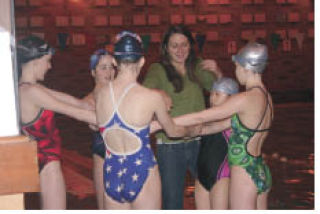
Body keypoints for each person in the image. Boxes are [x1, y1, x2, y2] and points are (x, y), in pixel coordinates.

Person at [153, 42, 273, 209]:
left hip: (244, 171)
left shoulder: (246, 98)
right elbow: (215, 126)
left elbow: (200, 116)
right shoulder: (266, 97)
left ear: (246, 67)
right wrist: (186, 132)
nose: (236, 71)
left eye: (237, 66)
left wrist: (158, 124)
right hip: (260, 169)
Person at [94, 30, 200, 209]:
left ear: (114, 61)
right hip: (141, 171)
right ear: (142, 61)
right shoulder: (151, 97)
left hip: (112, 172)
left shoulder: (100, 94)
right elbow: (173, 131)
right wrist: (192, 130)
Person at [142, 24, 222, 209]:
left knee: (211, 192)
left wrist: (217, 72)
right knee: (172, 201)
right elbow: (145, 90)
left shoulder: (197, 65)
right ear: (166, 48)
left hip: (199, 140)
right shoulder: (158, 69)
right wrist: (158, 93)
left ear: (190, 46)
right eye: (174, 45)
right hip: (170, 145)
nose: (180, 50)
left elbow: (220, 91)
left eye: (184, 45)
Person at [17, 35, 96, 209]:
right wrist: (120, 122)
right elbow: (76, 112)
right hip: (47, 163)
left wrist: (102, 91)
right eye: (47, 61)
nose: (50, 66)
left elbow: (79, 103)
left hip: (43, 161)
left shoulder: (30, 89)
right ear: (35, 61)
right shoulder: (31, 92)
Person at [195, 77, 239, 209]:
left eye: (217, 94)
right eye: (211, 93)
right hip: (201, 176)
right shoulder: (207, 117)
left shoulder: (233, 120)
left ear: (231, 98)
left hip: (222, 177)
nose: (212, 98)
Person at [82, 49, 116, 209]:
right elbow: (97, 123)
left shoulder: (125, 95)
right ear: (93, 72)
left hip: (128, 156)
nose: (109, 72)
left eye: (112, 67)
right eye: (103, 67)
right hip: (103, 158)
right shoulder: (88, 102)